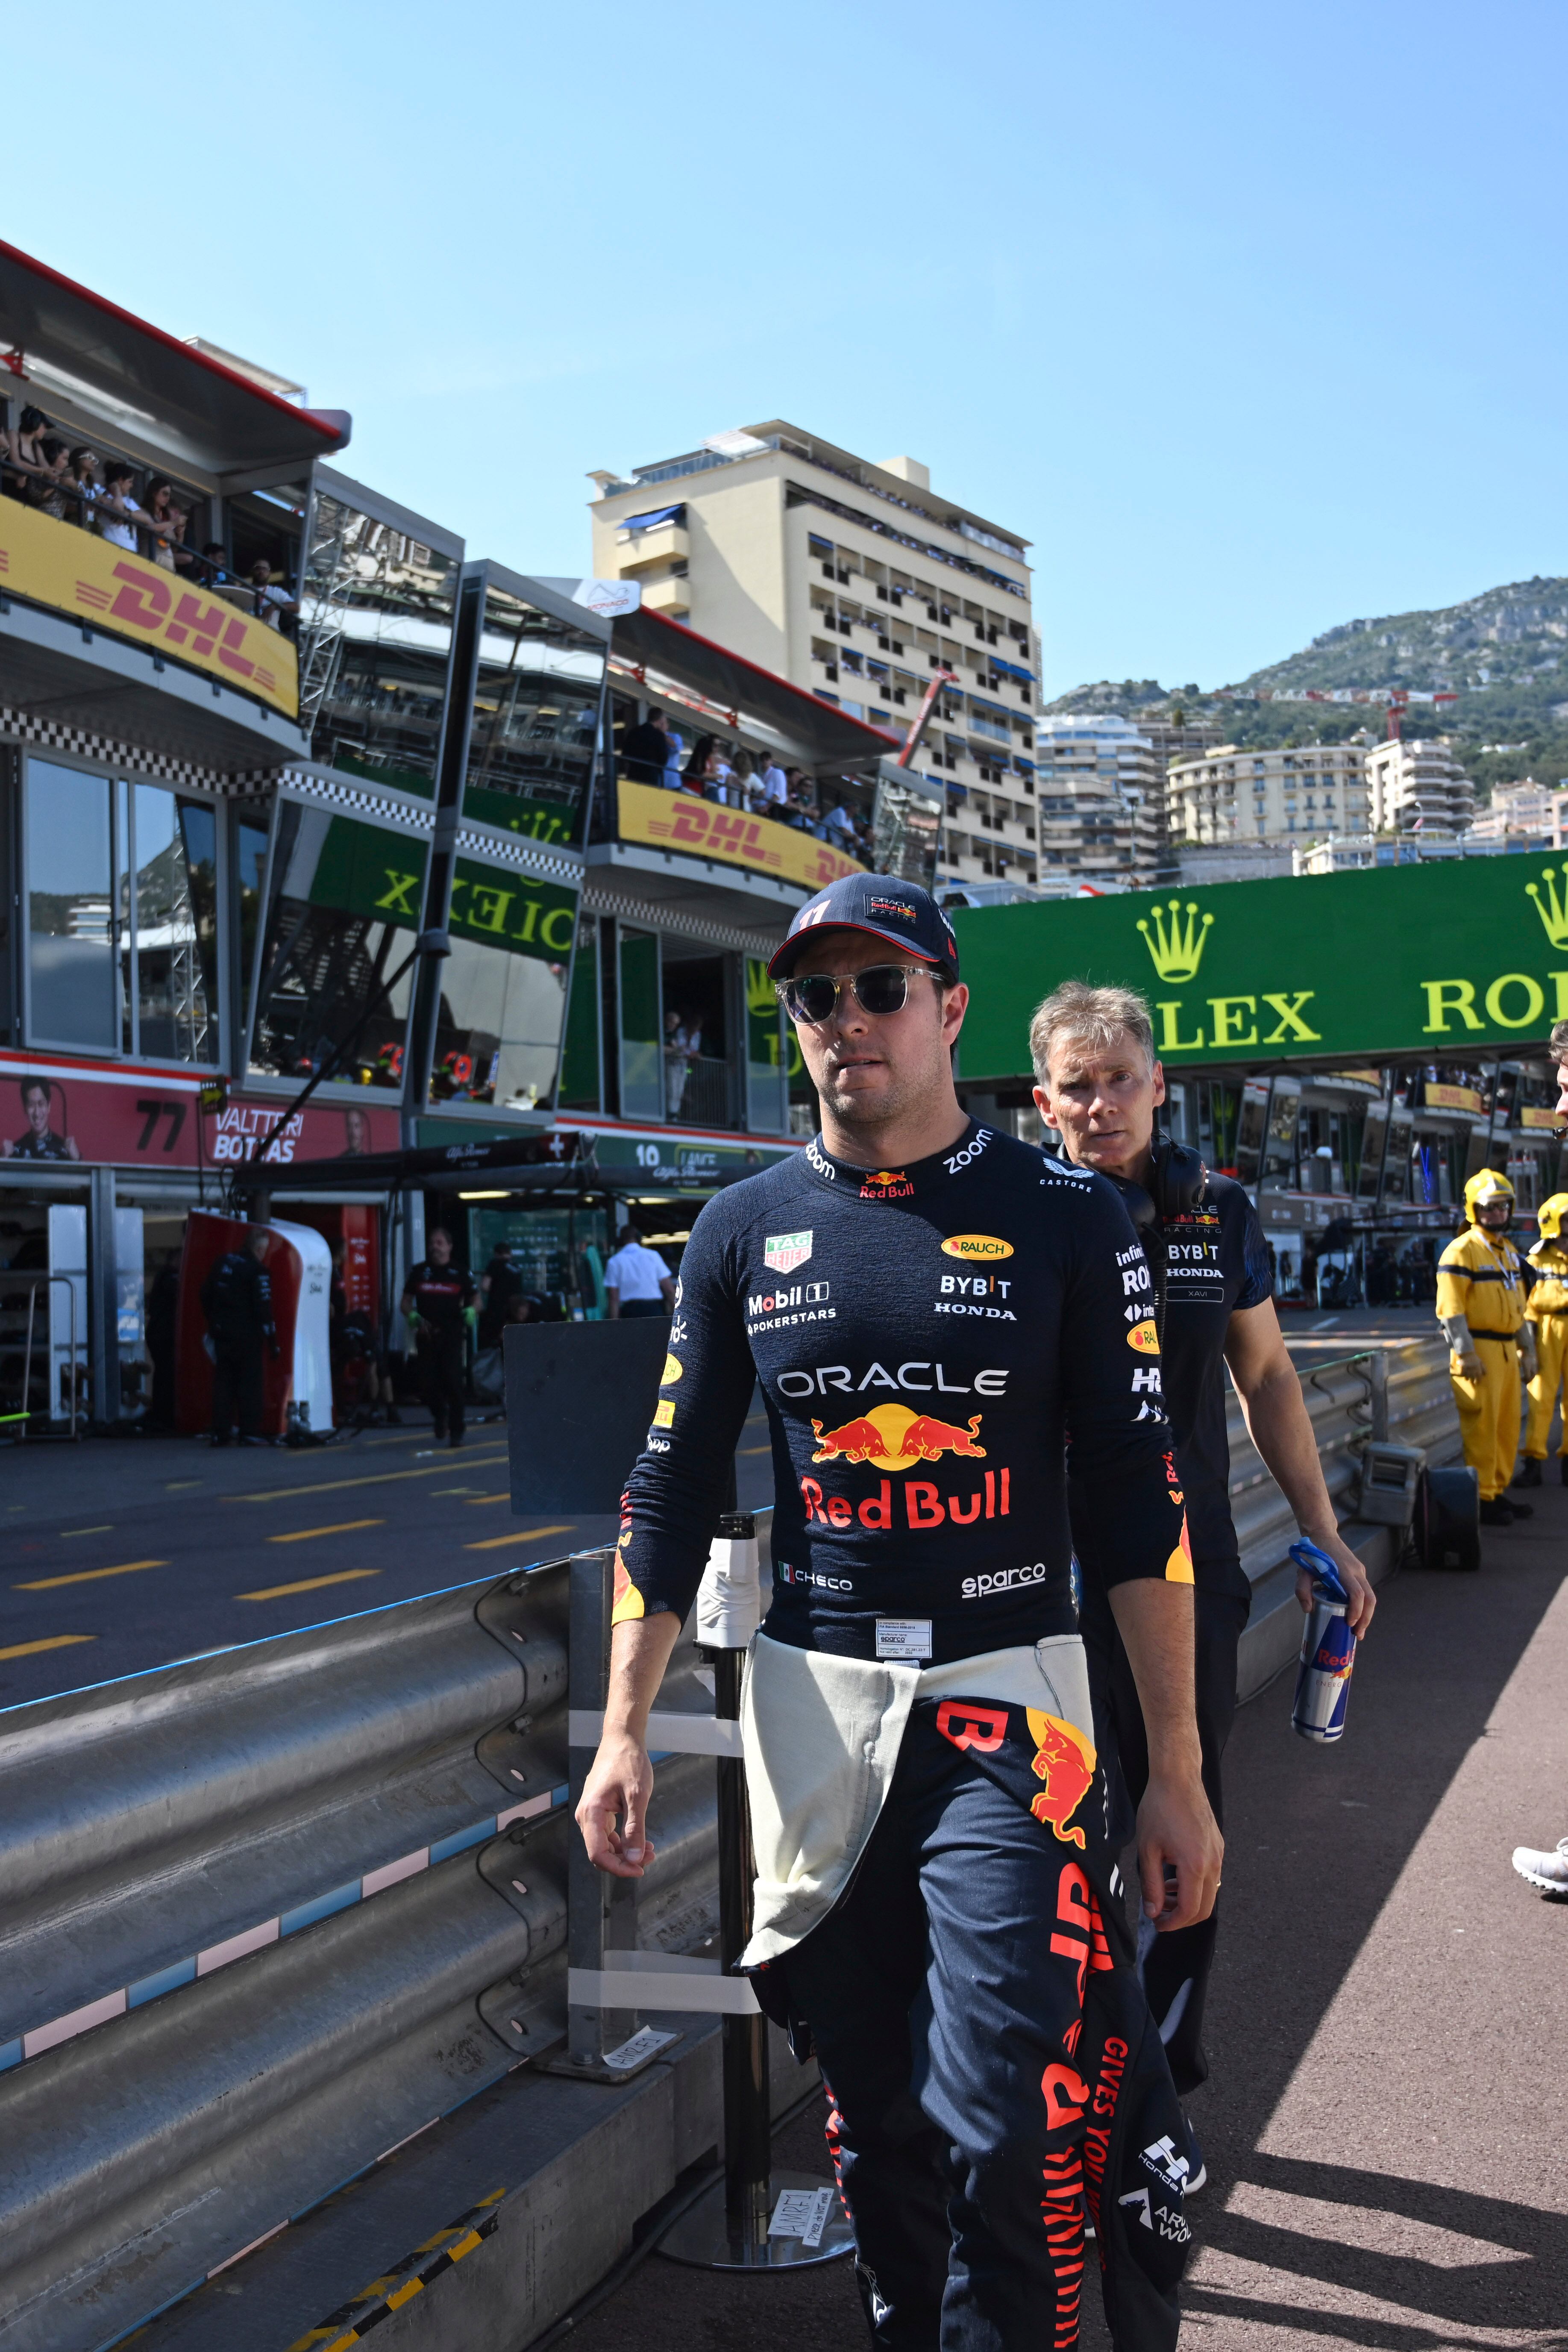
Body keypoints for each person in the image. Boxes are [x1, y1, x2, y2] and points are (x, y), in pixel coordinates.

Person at [578, 873, 1218, 2351]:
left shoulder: (1067, 1215)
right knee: (875, 2115)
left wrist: (1176, 1771)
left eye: (881, 989)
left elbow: (1138, 1499)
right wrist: (622, 1732)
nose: (847, 1021)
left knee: (1011, 2099)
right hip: (819, 1713)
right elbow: (669, 1487)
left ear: (951, 1009)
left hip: (1015, 1701)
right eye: (815, 997)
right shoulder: (740, 1228)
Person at [1032, 982, 1375, 2129]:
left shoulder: (1210, 1214)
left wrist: (1320, 1530)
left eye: (1117, 1079)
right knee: (1053, 1831)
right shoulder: (1011, 1215)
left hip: (1190, 1568)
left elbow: (1267, 1375)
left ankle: (1158, 2077)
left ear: (1157, 1086)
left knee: (1184, 1819)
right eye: (1074, 1088)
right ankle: (1063, 2068)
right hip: (1040, 1581)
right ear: (1042, 1102)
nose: (1098, 1105)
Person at [1436, 1170, 1535, 1526]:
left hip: (1507, 1349)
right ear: (1473, 1210)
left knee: (1507, 1425)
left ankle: (1496, 1489)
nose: (1497, 1214)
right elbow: (1452, 1310)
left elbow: (1520, 1309)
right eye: (1489, 1208)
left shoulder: (1508, 1252)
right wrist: (1465, 1353)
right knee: (1483, 1427)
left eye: (1503, 1207)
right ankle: (1481, 1497)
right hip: (1479, 1351)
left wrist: (1529, 1350)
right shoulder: (1462, 1251)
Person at [399, 1227, 476, 1448]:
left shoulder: (460, 1272)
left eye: (440, 1242)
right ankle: (440, 1414)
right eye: (433, 1242)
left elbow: (476, 1301)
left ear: (450, 1246)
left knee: (453, 1382)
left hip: (451, 1335)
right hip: (427, 1334)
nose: (435, 1246)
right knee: (427, 1383)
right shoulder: (419, 1272)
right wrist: (412, 1315)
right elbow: (405, 1303)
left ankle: (457, 1431)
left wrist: (471, 1312)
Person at [203, 1227, 278, 1446]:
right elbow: (264, 1309)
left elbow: (205, 1293)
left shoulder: (223, 1262)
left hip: (222, 1333)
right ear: (260, 1248)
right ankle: (249, 1432)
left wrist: (215, 1321)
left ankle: (221, 1432)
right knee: (250, 1383)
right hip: (247, 1336)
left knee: (223, 1382)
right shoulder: (257, 1271)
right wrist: (273, 1343)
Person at [1515, 1191, 1568, 1487]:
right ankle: (1534, 1461)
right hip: (1546, 1329)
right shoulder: (1535, 1260)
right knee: (1541, 1398)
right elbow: (1525, 1302)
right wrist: (1529, 1342)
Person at [601, 1223, 675, 1320]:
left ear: (620, 1241)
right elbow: (669, 1289)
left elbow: (613, 1297)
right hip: (654, 1311)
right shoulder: (653, 1256)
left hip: (630, 1312)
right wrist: (678, 1316)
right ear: (639, 1238)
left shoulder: (614, 1261)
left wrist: (613, 1324)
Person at [2, 1076, 79, 1161]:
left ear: (49, 1107)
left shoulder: (65, 1151)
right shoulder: (16, 1152)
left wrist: (77, 1160)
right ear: (25, 1108)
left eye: (41, 1104)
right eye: (31, 1105)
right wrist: (3, 1160)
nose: (37, 1113)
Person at [479, 1239, 525, 1345]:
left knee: (494, 1343)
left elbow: (485, 1286)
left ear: (496, 1254)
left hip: (497, 1310)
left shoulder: (495, 1264)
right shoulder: (517, 1268)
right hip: (515, 1312)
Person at [621, 707, 673, 785]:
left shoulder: (634, 732)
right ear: (660, 720)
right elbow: (663, 759)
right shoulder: (659, 735)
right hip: (651, 777)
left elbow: (625, 753)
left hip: (633, 774)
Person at [247, 556, 298, 628]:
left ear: (270, 573)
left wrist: (274, 606)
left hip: (270, 634)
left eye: (265, 569)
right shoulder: (244, 589)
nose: (261, 572)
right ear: (252, 571)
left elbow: (296, 607)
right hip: (248, 631)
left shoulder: (276, 592)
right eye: (258, 568)